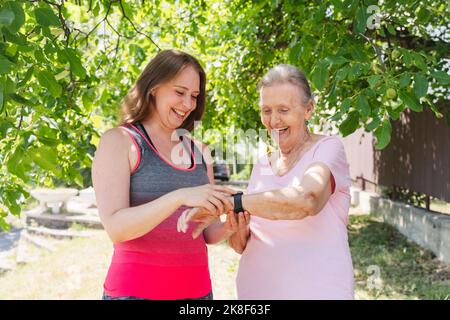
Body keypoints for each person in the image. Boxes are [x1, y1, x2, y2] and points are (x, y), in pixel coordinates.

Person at [181, 64, 354, 299]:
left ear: (308, 109)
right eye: (266, 110)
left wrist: (234, 202)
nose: (273, 120)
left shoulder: (327, 149)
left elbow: (307, 200)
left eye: (283, 109)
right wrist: (235, 226)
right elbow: (241, 245)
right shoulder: (262, 165)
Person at [92, 49, 236, 300]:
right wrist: (179, 196)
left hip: (197, 294)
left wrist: (229, 225)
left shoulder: (199, 151)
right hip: (135, 294)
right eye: (180, 93)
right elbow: (116, 228)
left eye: (194, 96)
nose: (188, 105)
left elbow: (206, 231)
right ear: (154, 88)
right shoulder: (120, 141)